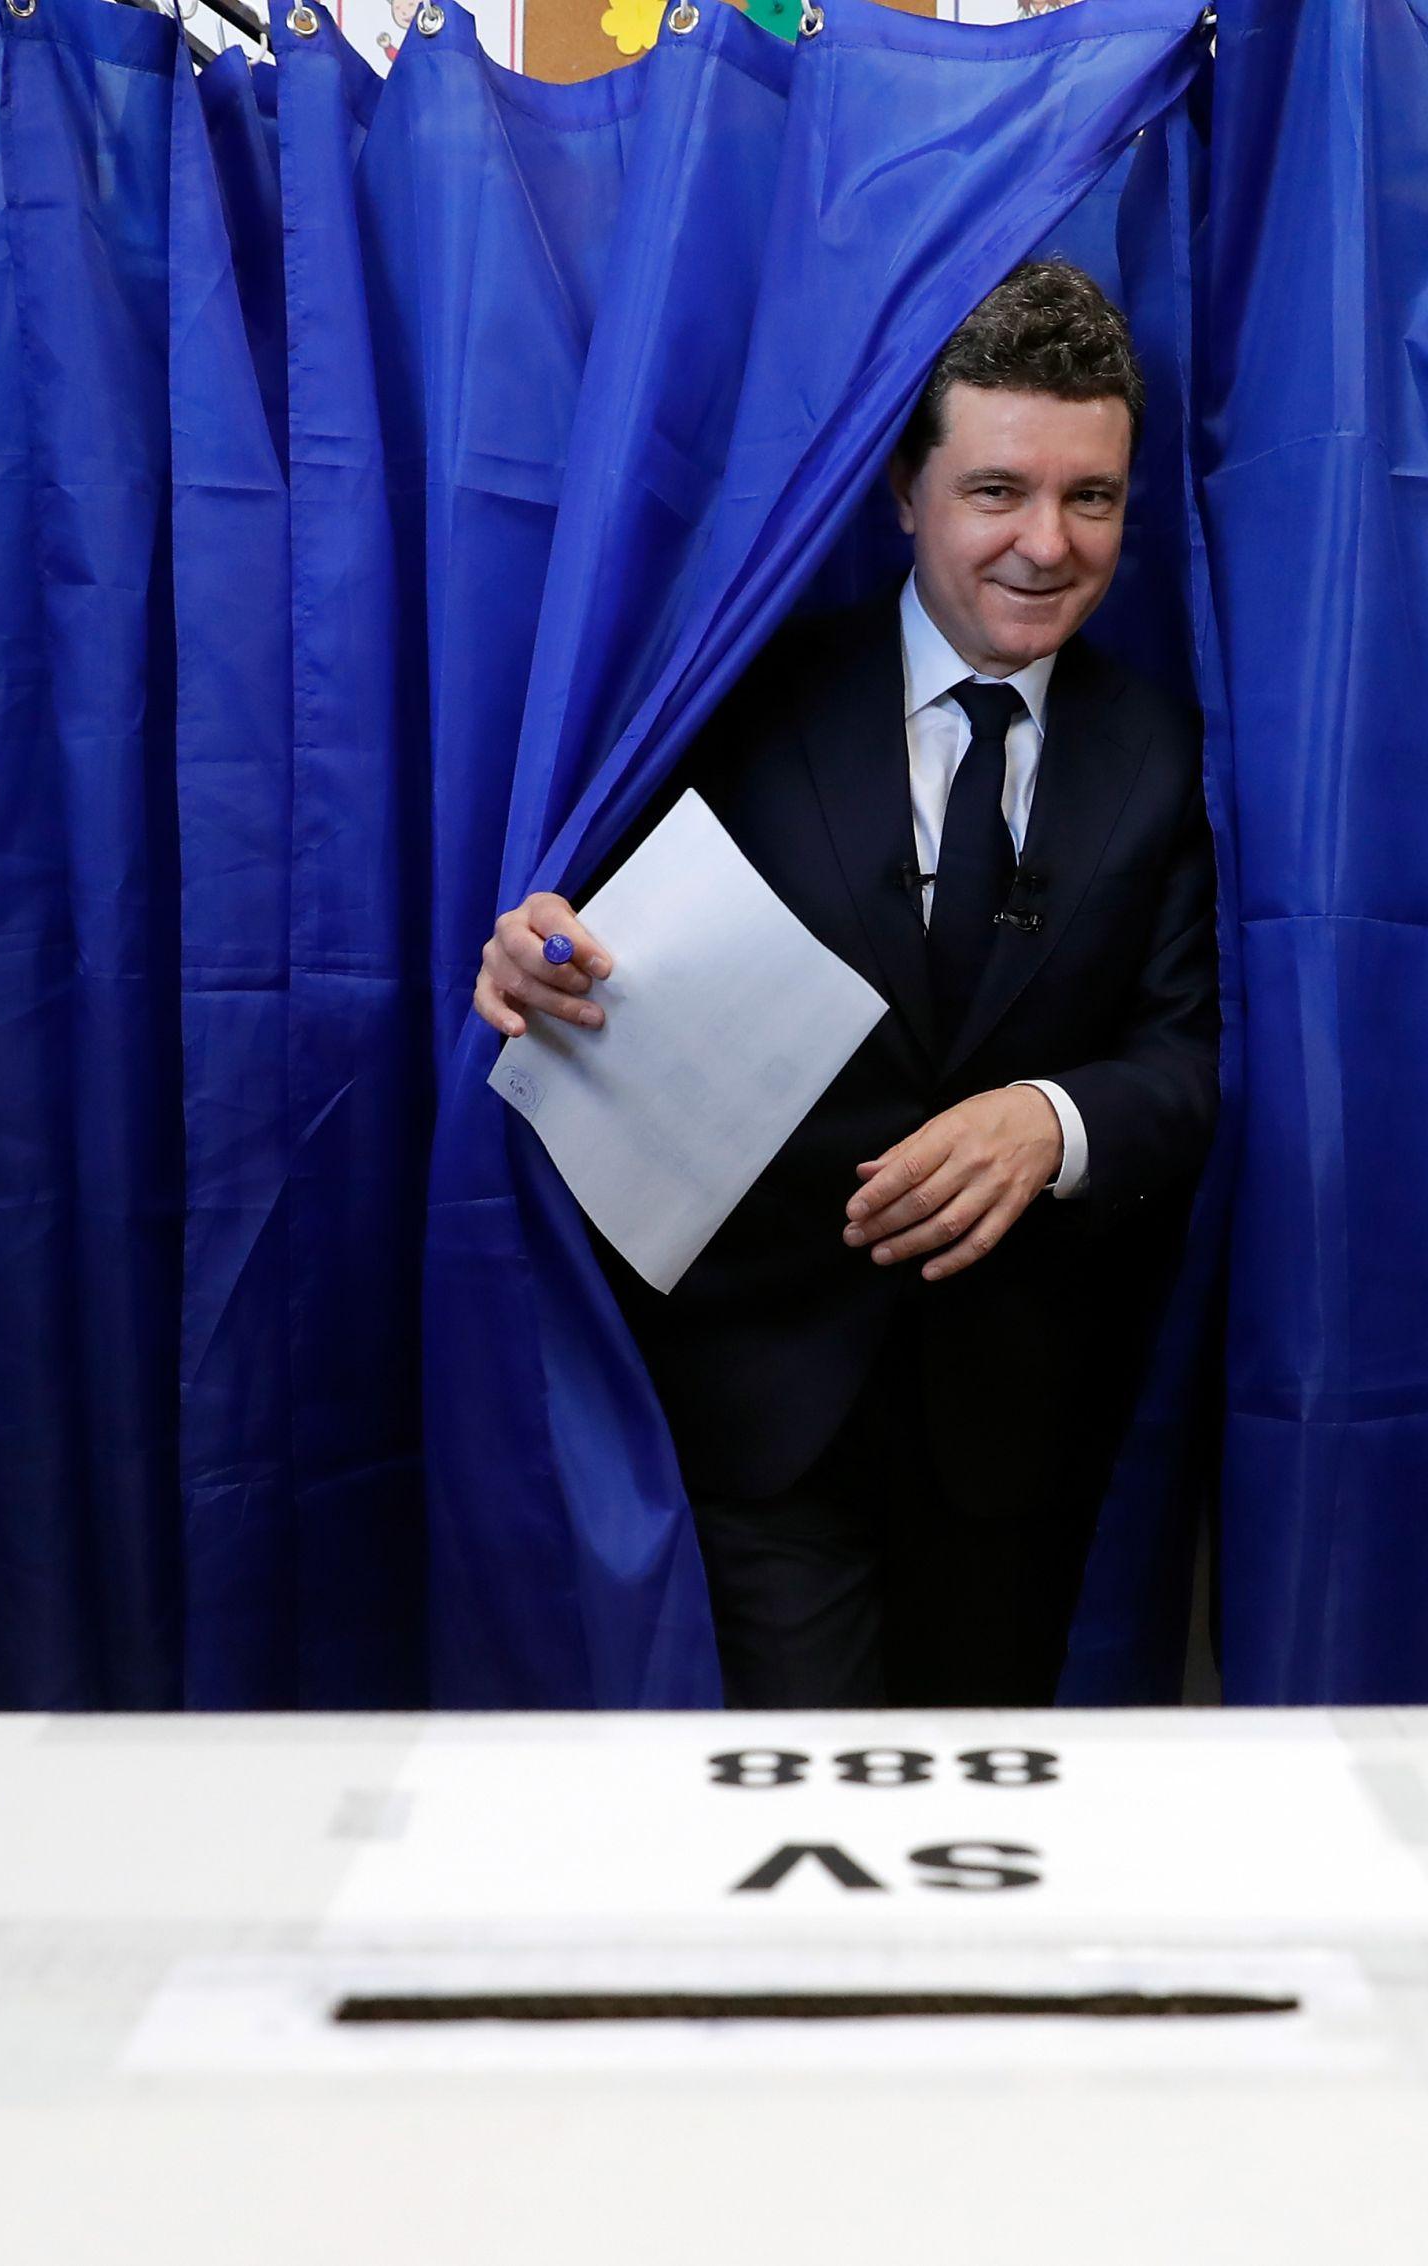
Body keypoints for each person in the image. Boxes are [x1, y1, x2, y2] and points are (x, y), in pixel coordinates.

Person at [473, 259, 1218, 1708]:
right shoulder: (735, 698)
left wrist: (1053, 1121)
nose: (1048, 544)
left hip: (1022, 1435)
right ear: (902, 492)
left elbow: (1189, 1058)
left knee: (981, 1815)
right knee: (797, 1810)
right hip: (762, 1410)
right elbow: (584, 943)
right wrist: (536, 953)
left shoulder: (1168, 754)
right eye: (997, 490)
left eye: (1093, 497)